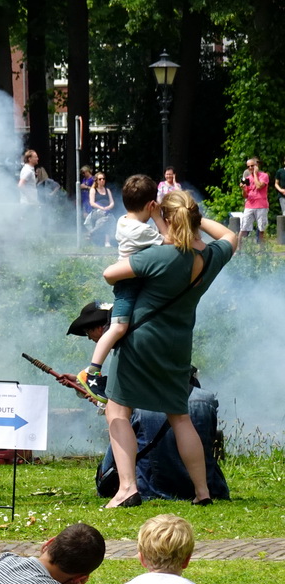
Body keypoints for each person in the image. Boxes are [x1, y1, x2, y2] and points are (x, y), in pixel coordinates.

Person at [103, 190, 237, 509]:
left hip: (141, 339)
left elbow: (110, 274)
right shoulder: (211, 257)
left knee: (117, 409)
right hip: (179, 341)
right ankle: (202, 491)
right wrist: (191, 219)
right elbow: (231, 234)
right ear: (193, 218)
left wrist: (161, 222)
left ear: (168, 217)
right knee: (179, 416)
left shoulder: (161, 256)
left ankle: (126, 488)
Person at [63, 302, 230, 502]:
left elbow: (125, 399)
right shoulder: (159, 340)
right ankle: (203, 493)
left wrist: (97, 387)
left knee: (116, 426)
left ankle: (128, 489)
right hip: (201, 476)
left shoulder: (126, 350)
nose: (93, 340)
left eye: (91, 335)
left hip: (155, 482)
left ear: (99, 329)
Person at [77, 175, 166, 403]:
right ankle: (92, 372)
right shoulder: (141, 230)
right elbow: (169, 240)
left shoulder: (124, 220)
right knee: (117, 328)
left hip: (131, 281)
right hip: (128, 284)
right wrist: (157, 216)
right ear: (150, 205)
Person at [239, 157, 269, 248]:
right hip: (249, 205)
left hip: (261, 205)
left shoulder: (264, 175)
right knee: (244, 228)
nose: (251, 168)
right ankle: (239, 249)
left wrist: (255, 174)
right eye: (249, 166)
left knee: (261, 229)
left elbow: (259, 186)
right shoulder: (247, 178)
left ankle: (262, 251)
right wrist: (243, 189)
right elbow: (245, 195)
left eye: (253, 166)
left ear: (257, 165)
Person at [86, 171, 115, 246]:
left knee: (108, 218)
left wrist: (108, 207)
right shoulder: (93, 190)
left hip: (107, 211)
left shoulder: (107, 190)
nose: (102, 180)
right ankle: (107, 242)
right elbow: (92, 203)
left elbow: (112, 202)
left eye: (103, 179)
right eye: (100, 179)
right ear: (96, 181)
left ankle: (92, 233)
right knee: (107, 217)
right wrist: (101, 208)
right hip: (96, 211)